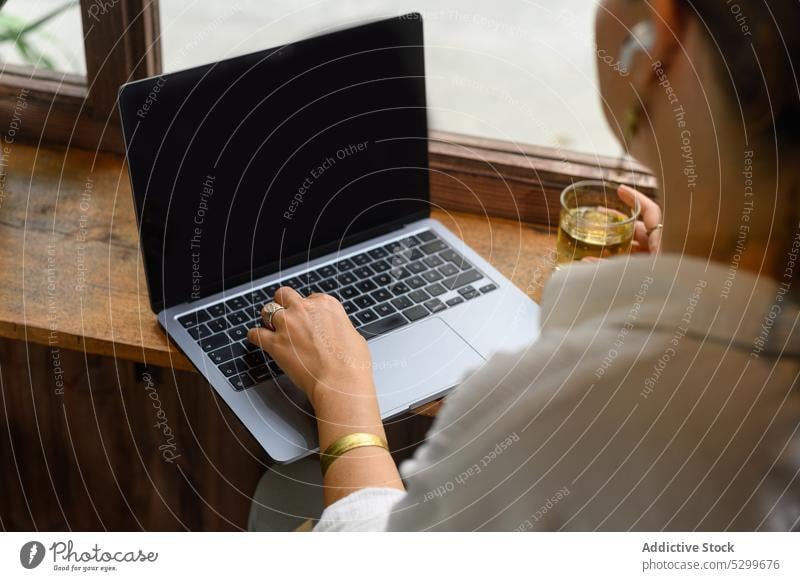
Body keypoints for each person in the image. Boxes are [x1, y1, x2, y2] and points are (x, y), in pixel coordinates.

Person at [247, 0, 800, 531]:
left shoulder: (558, 409)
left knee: (278, 496)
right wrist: (692, 266)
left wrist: (342, 391)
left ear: (654, 34)